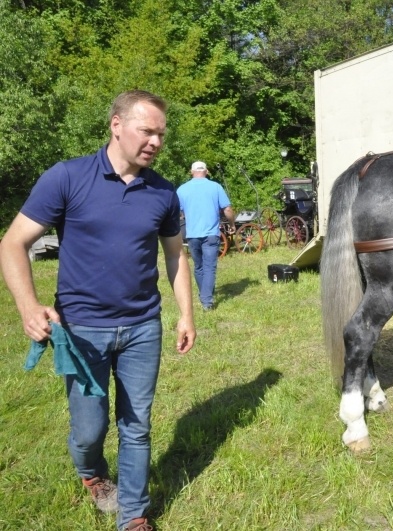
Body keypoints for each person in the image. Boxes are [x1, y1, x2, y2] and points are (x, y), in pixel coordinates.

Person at [0, 90, 196, 531]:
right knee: (89, 430)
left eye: (161, 134)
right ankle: (91, 472)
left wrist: (186, 313)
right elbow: (13, 243)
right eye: (147, 131)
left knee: (136, 425)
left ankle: (133, 515)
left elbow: (175, 255)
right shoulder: (67, 177)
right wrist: (28, 306)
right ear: (116, 125)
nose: (156, 142)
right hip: (82, 329)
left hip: (143, 327)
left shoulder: (163, 192)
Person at [177, 161, 235, 310]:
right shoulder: (215, 187)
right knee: (209, 267)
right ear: (207, 171)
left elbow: (178, 213)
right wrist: (232, 224)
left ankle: (204, 295)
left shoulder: (182, 189)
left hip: (192, 235)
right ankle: (207, 301)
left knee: (199, 267)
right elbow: (227, 209)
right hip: (211, 234)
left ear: (191, 171)